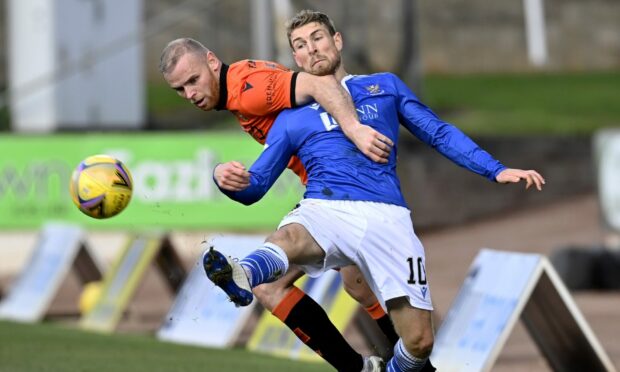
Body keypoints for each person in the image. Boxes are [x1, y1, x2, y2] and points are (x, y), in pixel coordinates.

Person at [204, 9, 545, 372]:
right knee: (288, 237)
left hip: (387, 216)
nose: (312, 50)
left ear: (337, 41)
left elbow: (438, 132)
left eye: (318, 38)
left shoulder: (383, 86)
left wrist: (496, 170)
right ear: (296, 59)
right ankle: (242, 274)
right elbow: (256, 185)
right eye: (300, 46)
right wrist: (227, 181)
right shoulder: (290, 117)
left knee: (419, 342)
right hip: (326, 208)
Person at [160, 38, 396, 371]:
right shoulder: (239, 89)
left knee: (272, 285)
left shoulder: (250, 88)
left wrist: (354, 129)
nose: (190, 94)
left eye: (193, 80)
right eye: (179, 89)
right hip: (343, 185)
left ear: (212, 62)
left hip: (344, 190)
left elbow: (316, 83)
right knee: (357, 284)